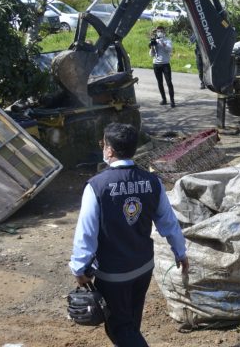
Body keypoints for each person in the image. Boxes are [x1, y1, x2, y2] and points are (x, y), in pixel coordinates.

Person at [70, 123, 189, 347]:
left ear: (109, 150)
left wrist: (79, 267)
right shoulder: (152, 182)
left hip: (114, 273)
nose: (103, 148)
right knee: (131, 322)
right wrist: (180, 252)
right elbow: (168, 222)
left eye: (103, 144)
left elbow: (86, 232)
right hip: (143, 267)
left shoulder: (97, 186)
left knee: (118, 328)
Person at [149, 25, 175, 107]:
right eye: (158, 31)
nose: (159, 33)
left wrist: (162, 42)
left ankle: (172, 101)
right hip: (156, 64)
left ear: (164, 32)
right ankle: (164, 99)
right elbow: (151, 55)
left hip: (165, 64)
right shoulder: (155, 41)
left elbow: (169, 49)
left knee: (169, 82)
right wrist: (152, 46)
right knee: (160, 83)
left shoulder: (167, 40)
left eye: (161, 31)